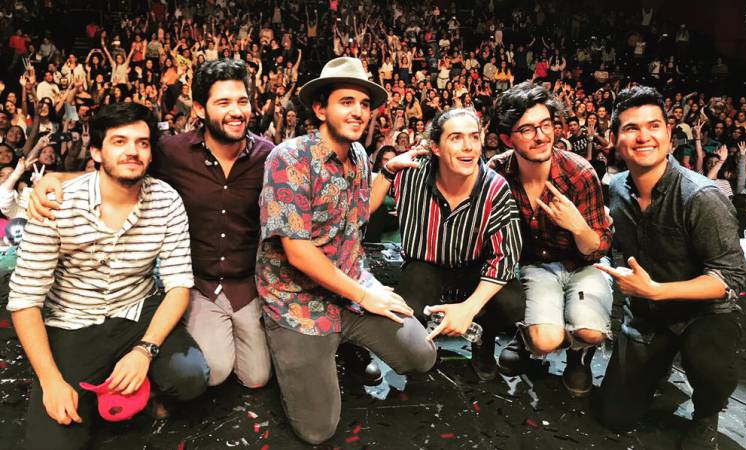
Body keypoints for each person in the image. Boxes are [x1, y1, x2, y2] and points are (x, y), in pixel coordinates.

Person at [28, 59, 275, 390]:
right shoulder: (172, 152)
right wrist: (58, 178)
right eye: (223, 102)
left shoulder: (269, 157)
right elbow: (122, 168)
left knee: (257, 378)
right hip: (198, 284)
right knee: (213, 372)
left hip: (245, 283)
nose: (236, 111)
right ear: (199, 109)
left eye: (242, 101)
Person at [7, 102, 209, 449]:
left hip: (136, 309)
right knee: (52, 442)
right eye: (119, 141)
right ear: (97, 152)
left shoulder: (166, 200)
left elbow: (178, 286)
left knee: (190, 376)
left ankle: (140, 385)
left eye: (142, 143)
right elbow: (25, 299)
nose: (133, 151)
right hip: (73, 320)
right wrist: (51, 380)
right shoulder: (55, 203)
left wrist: (144, 350)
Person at [257, 57, 436, 445]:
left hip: (350, 285)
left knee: (422, 356)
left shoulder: (357, 155)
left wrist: (389, 171)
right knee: (317, 430)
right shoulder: (289, 158)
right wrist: (366, 297)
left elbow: (359, 210)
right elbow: (298, 252)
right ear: (321, 109)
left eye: (365, 104)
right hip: (299, 302)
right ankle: (290, 350)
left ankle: (347, 344)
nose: (358, 111)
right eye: (347, 101)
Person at [594, 86, 745, 448]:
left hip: (702, 314)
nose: (644, 136)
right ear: (615, 139)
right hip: (648, 315)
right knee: (614, 417)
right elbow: (613, 247)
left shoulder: (701, 196)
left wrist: (657, 290)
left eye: (654, 126)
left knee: (710, 363)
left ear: (668, 134)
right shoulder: (616, 188)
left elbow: (729, 278)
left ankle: (707, 410)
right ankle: (654, 367)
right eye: (631, 128)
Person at [369, 107, 524, 382]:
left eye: (474, 137)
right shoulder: (411, 174)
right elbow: (364, 208)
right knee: (406, 311)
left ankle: (483, 341)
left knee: (513, 303)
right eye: (456, 138)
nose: (468, 146)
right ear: (435, 148)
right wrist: (389, 169)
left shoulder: (495, 186)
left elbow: (505, 256)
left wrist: (470, 308)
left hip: (475, 265)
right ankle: (422, 349)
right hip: (426, 265)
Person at [489, 82, 613, 397]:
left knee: (591, 332)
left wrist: (578, 227)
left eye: (546, 125)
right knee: (545, 340)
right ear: (507, 138)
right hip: (536, 265)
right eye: (527, 129)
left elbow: (597, 248)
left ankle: (579, 356)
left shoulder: (579, 173)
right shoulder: (498, 172)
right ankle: (527, 335)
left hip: (584, 264)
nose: (542, 136)